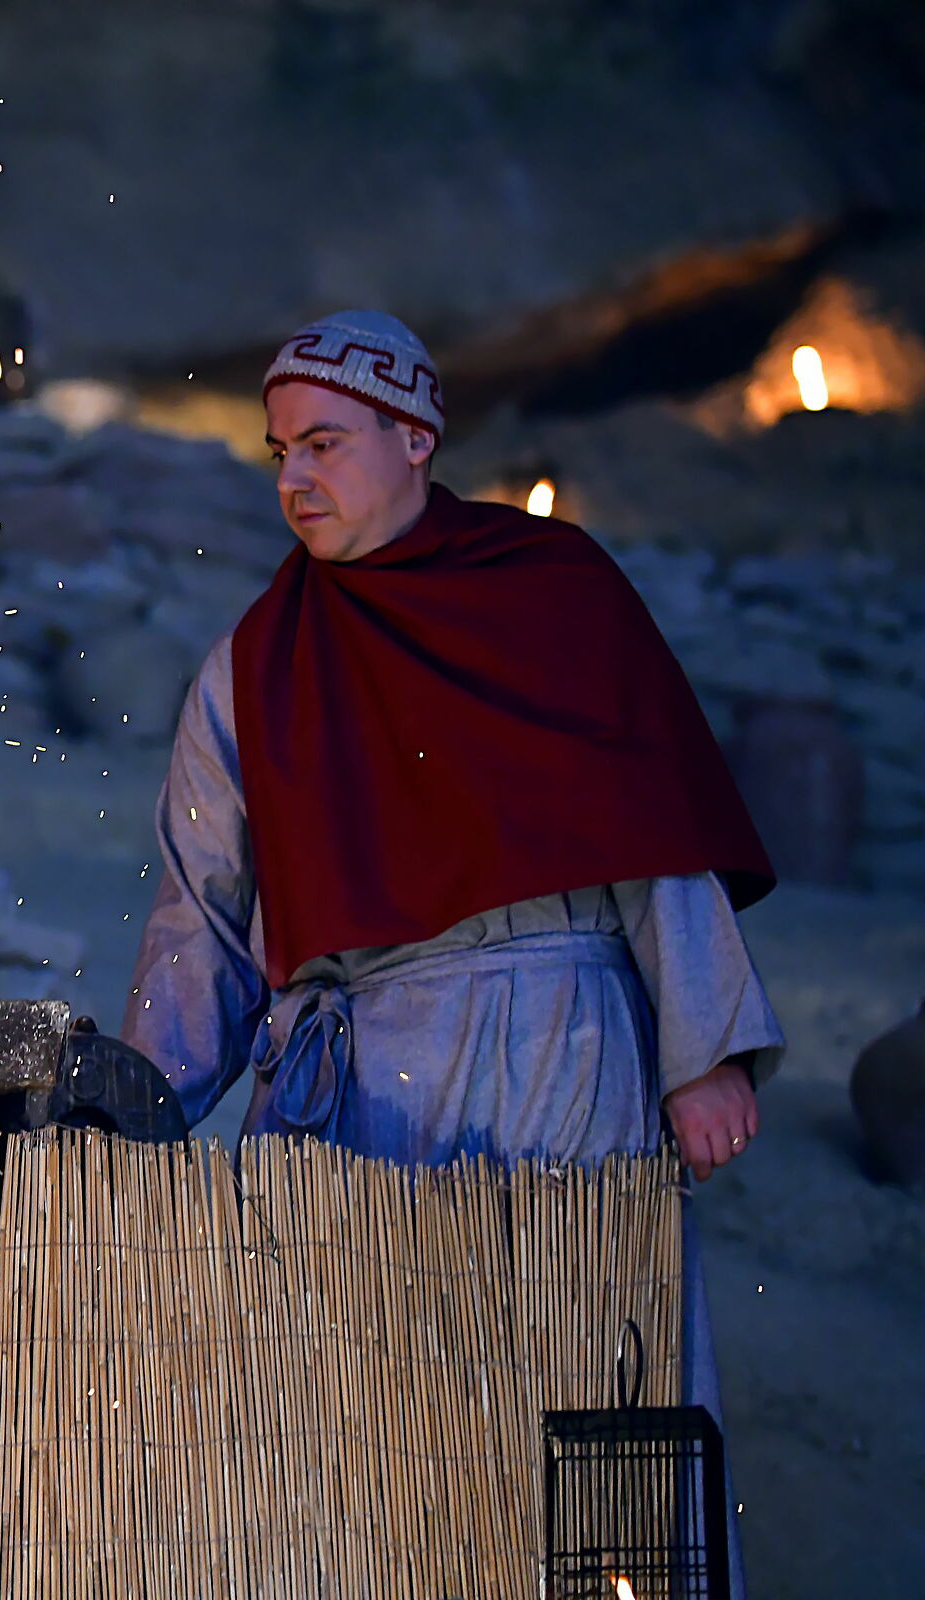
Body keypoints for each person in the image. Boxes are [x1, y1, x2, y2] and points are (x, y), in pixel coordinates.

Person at [117, 310, 779, 1571]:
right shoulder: (254, 665)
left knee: (592, 1391)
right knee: (377, 1427)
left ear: (415, 437)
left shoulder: (555, 593)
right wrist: (146, 1100)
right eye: (277, 454)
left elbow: (649, 827)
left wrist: (706, 1047)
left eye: (324, 444)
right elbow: (198, 909)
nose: (295, 478)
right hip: (365, 1079)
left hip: (562, 1043)